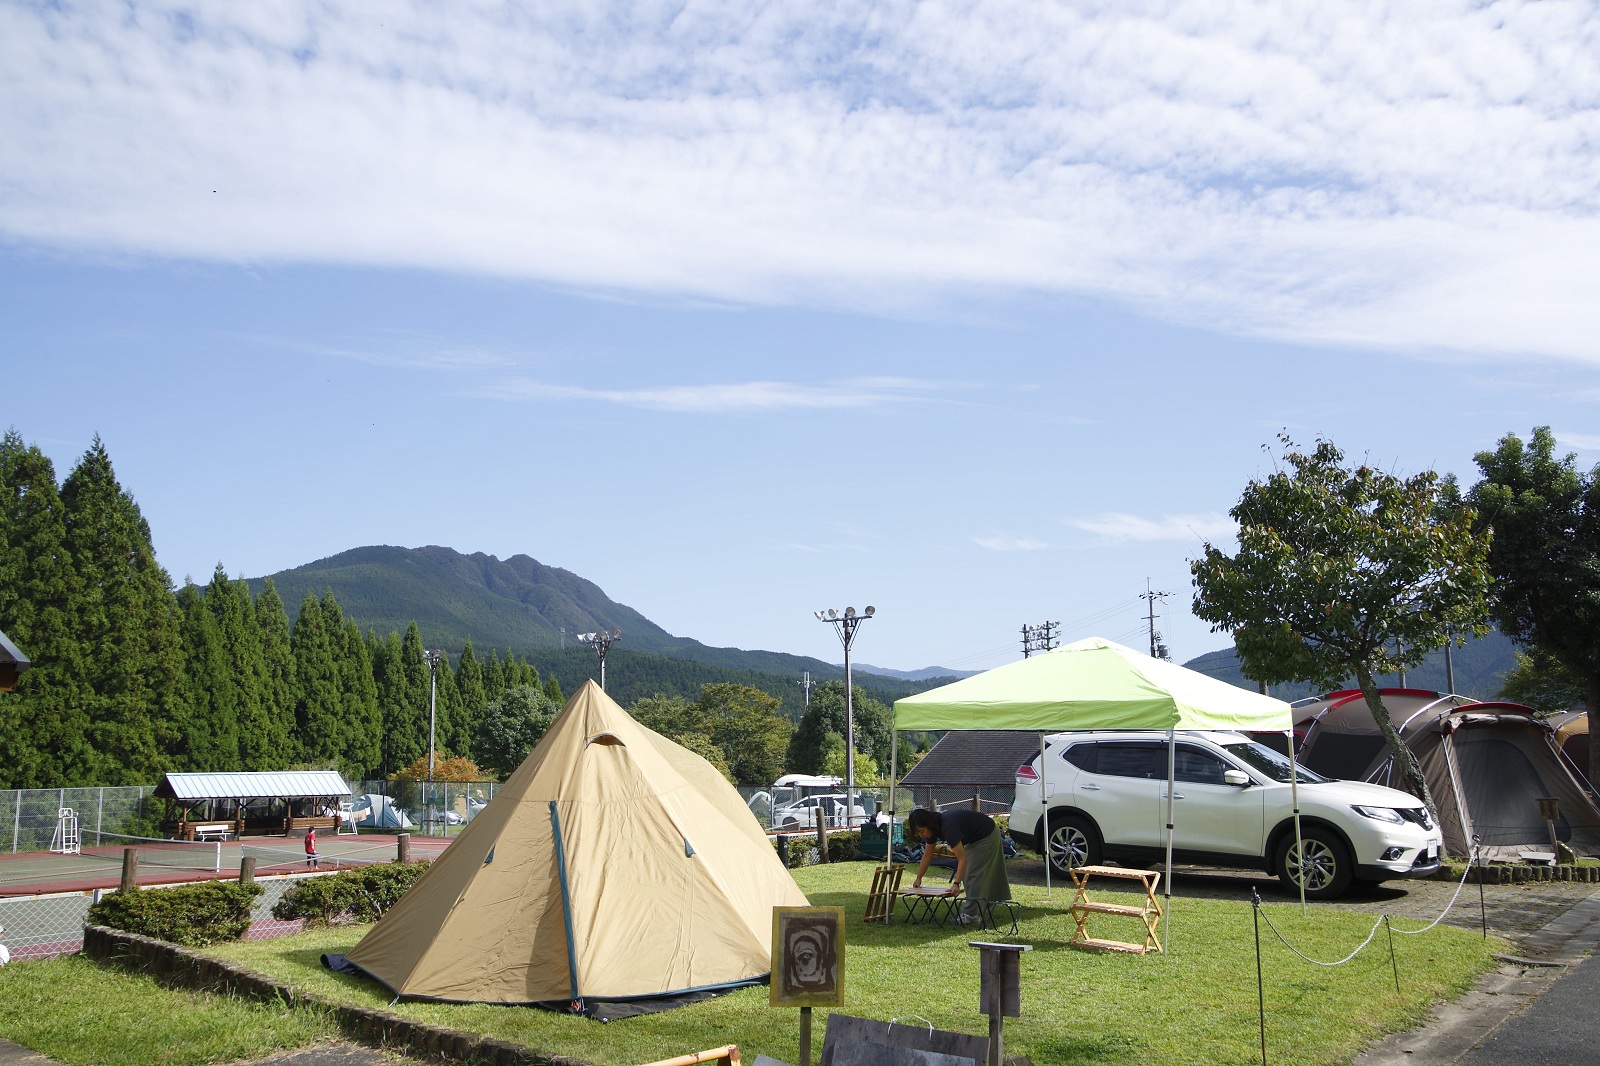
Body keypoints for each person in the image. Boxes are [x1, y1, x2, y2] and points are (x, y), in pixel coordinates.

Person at [908, 807, 1009, 925]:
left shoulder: (948, 827)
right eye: (918, 832)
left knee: (973, 874)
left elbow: (962, 859)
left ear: (929, 825)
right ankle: (984, 906)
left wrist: (956, 884)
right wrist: (918, 878)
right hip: (977, 837)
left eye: (922, 831)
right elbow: (927, 856)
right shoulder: (933, 829)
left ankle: (971, 915)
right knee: (971, 873)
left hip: (986, 835)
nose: (921, 835)